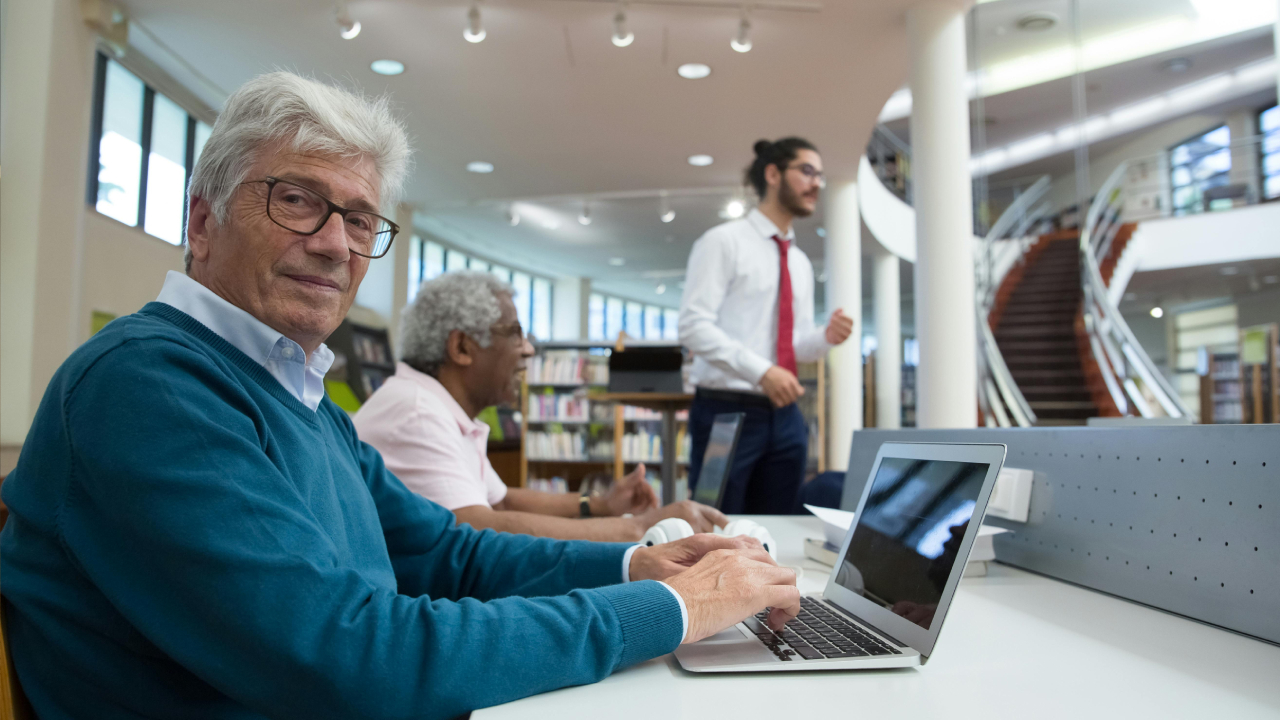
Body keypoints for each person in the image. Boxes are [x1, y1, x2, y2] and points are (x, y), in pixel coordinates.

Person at [0, 72, 799, 720]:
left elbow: (445, 551)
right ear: (203, 222)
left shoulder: (303, 398)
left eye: (358, 219)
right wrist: (672, 607)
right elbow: (349, 656)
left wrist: (636, 563)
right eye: (297, 200)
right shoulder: (149, 386)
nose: (336, 243)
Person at [354, 271, 727, 541]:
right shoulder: (417, 412)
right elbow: (480, 527)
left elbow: (501, 503)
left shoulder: (431, 405)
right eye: (515, 333)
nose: (529, 350)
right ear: (462, 347)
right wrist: (644, 527)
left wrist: (599, 506)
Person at [679, 138, 855, 515]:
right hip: (726, 412)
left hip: (786, 414)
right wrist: (762, 372)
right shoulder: (723, 242)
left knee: (778, 525)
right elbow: (693, 326)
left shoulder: (801, 262)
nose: (816, 184)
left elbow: (795, 345)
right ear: (773, 174)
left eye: (821, 176)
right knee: (714, 523)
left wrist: (824, 338)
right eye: (806, 171)